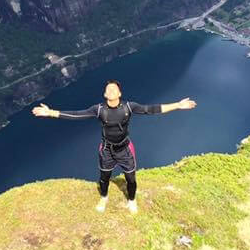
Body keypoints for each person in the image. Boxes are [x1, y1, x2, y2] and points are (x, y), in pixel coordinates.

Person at [31, 79, 196, 214]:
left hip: (125, 149)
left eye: (113, 89)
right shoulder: (99, 109)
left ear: (119, 93)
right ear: (104, 94)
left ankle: (131, 201)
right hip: (106, 151)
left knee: (131, 179)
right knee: (104, 178)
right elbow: (77, 115)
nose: (110, 91)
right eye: (107, 89)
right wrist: (51, 112)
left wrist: (178, 105)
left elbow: (151, 109)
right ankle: (104, 198)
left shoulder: (129, 107)